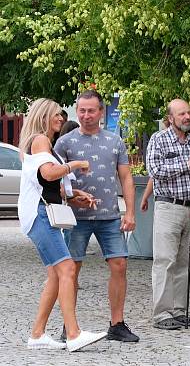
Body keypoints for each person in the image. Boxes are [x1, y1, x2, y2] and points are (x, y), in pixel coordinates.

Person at [18, 98, 106, 352]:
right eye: (57, 114)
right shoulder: (40, 140)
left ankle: (37, 334)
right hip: (40, 214)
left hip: (41, 212)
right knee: (67, 268)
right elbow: (48, 173)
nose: (61, 118)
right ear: (44, 115)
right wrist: (75, 165)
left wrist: (74, 194)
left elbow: (45, 183)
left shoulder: (39, 142)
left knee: (56, 275)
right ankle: (74, 333)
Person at [54, 90, 139, 343]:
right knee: (71, 270)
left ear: (101, 112)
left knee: (119, 265)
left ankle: (117, 323)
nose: (86, 115)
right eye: (82, 110)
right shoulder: (64, 142)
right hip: (75, 216)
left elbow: (125, 177)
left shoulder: (115, 141)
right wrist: (69, 198)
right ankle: (69, 325)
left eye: (91, 110)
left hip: (109, 216)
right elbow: (54, 179)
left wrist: (130, 212)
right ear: (76, 111)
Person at [145, 99, 190, 330]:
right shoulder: (158, 140)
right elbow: (155, 171)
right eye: (182, 114)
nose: (187, 117)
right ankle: (162, 314)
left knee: (187, 261)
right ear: (170, 118)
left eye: (189, 113)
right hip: (168, 206)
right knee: (165, 261)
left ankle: (180, 310)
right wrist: (186, 164)